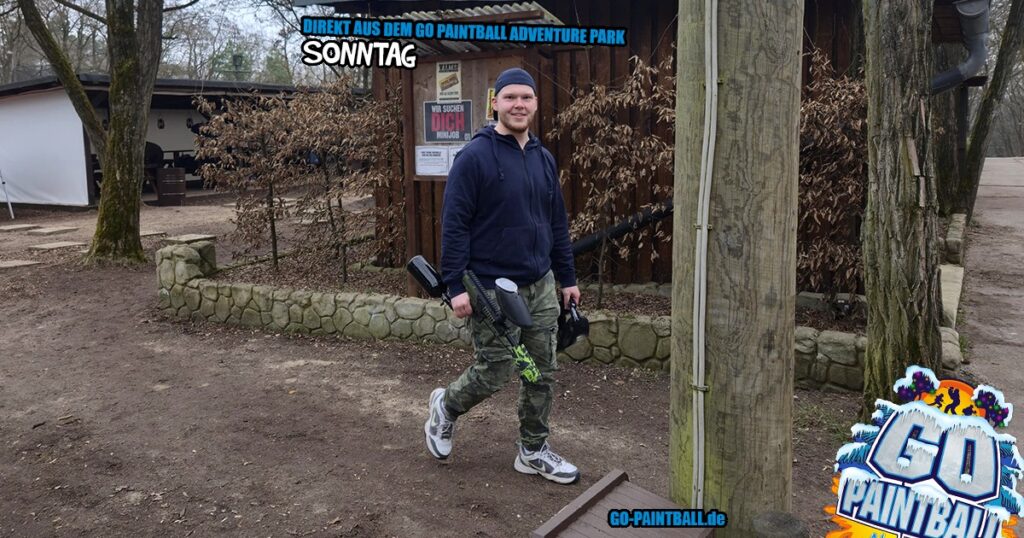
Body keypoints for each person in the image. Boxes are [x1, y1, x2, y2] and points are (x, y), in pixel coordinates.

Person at [424, 68, 582, 484]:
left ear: (535, 104)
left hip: (540, 284)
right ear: (495, 103)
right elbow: (454, 224)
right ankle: (446, 406)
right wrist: (455, 285)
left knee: (541, 371)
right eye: (510, 97)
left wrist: (567, 278)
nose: (518, 105)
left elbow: (556, 224)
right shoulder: (474, 158)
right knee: (495, 370)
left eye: (526, 98)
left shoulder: (543, 158)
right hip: (492, 287)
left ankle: (532, 450)